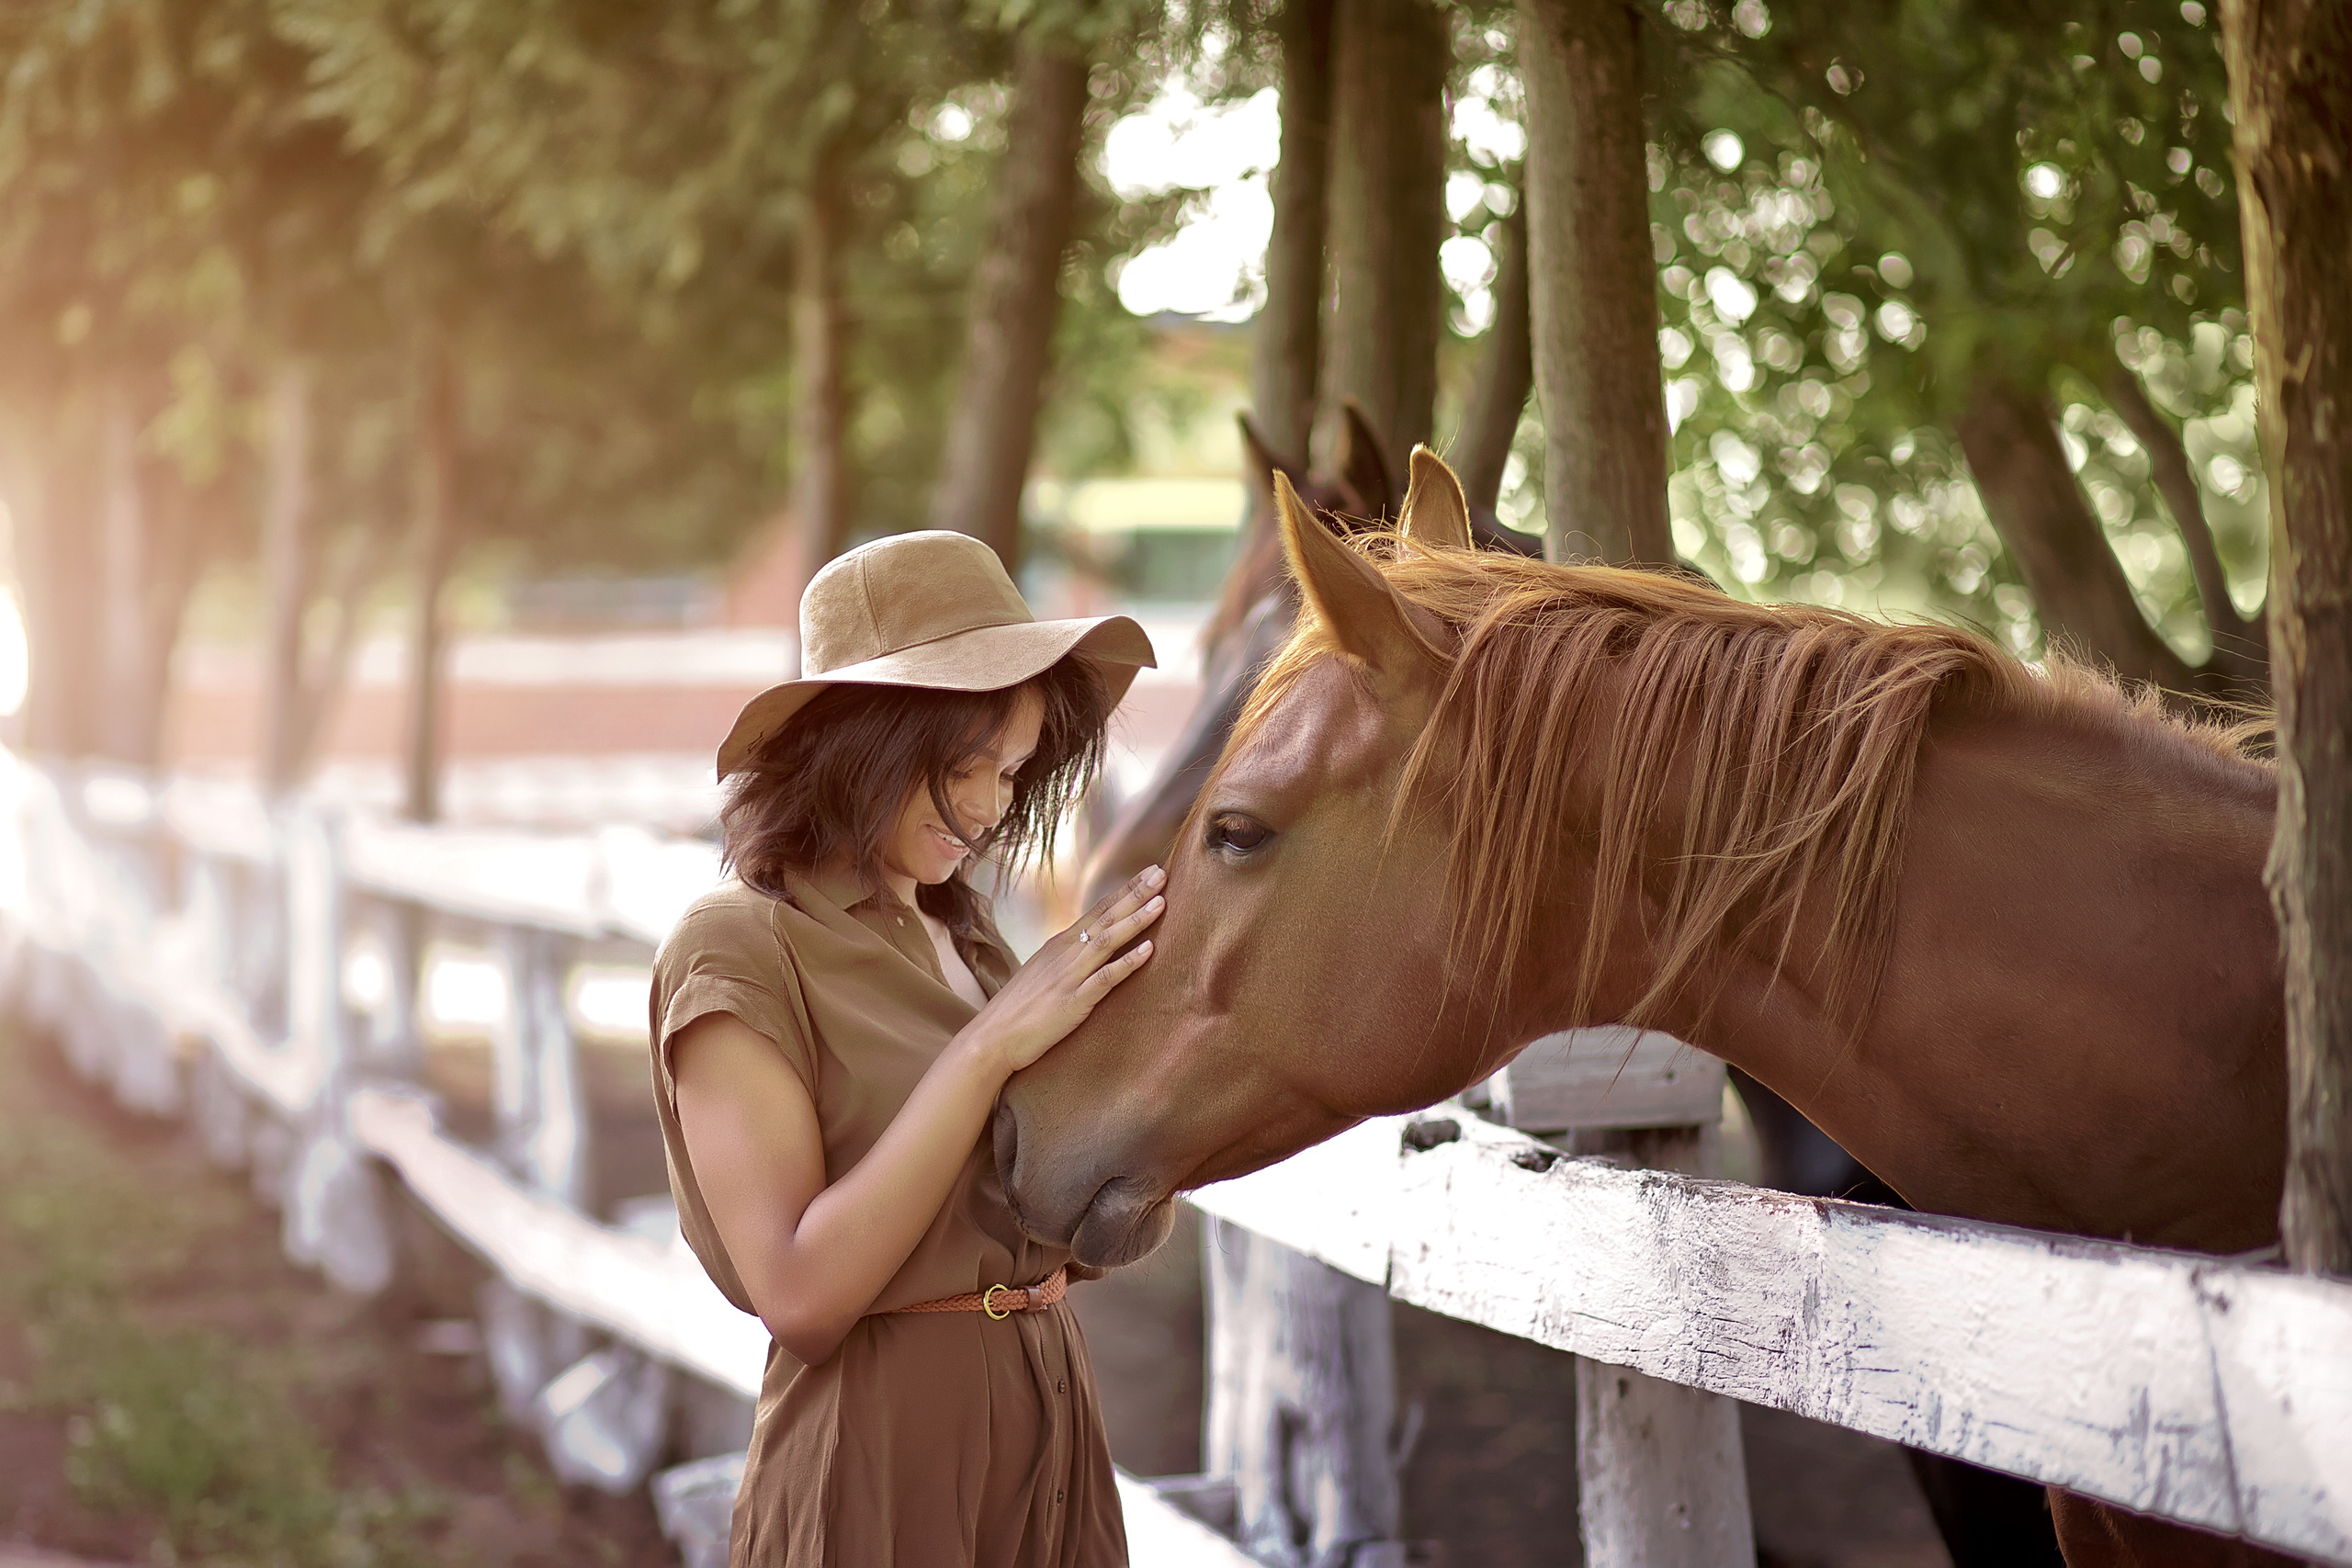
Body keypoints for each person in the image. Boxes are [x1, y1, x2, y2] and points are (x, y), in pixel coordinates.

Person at [650, 531, 1164, 1567]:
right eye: (959, 768)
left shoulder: (969, 935)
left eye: (1012, 771)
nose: (988, 810)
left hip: (1054, 1424)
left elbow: (1065, 1226)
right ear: (864, 743)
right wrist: (986, 1051)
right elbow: (799, 1294)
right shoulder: (742, 948)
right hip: (882, 1453)